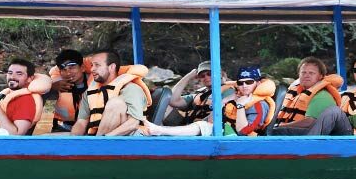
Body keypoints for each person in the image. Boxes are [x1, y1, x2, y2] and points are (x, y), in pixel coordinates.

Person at [144, 66, 275, 136]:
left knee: (203, 126)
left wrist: (239, 105)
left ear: (257, 83)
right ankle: (150, 129)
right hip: (217, 129)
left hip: (234, 139)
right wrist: (225, 102)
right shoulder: (230, 96)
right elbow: (173, 100)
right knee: (203, 125)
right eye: (241, 83)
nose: (244, 86)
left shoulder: (258, 104)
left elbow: (243, 131)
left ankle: (159, 131)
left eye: (249, 82)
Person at [70, 50, 152, 136]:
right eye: (92, 65)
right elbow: (81, 123)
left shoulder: (131, 88)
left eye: (97, 65)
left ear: (112, 67)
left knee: (116, 104)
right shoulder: (89, 93)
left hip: (130, 138)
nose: (92, 69)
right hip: (100, 139)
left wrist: (104, 139)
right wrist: (71, 143)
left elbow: (133, 124)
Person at [270, 57, 343, 135]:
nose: (306, 75)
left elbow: (310, 122)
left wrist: (281, 126)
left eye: (311, 73)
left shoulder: (322, 95)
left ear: (321, 76)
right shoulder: (296, 92)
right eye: (303, 72)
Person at [163, 61, 232, 126]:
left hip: (207, 128)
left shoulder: (228, 91)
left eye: (209, 74)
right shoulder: (200, 94)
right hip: (188, 126)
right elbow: (172, 100)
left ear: (220, 74)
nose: (206, 77)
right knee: (163, 104)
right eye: (202, 76)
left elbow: (219, 115)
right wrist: (189, 76)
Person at [47, 49, 92, 133]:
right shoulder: (56, 85)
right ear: (59, 71)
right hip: (63, 128)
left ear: (82, 68)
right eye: (64, 69)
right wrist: (51, 86)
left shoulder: (96, 79)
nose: (68, 73)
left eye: (72, 67)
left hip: (91, 128)